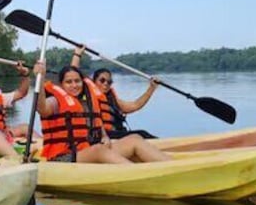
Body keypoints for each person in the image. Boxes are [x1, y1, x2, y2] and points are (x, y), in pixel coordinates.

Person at [34, 61, 171, 164]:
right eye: (69, 82)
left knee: (134, 139)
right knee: (98, 150)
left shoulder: (87, 104)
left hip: (87, 151)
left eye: (77, 81)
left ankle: (173, 166)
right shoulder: (55, 101)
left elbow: (102, 132)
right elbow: (42, 109)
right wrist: (39, 79)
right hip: (63, 158)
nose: (74, 85)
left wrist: (105, 139)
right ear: (61, 85)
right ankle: (139, 174)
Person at [70, 45, 158, 139]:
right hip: (102, 136)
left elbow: (135, 105)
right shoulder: (88, 94)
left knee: (141, 134)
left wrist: (151, 88)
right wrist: (77, 54)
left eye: (109, 82)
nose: (106, 84)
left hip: (116, 134)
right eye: (102, 80)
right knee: (141, 134)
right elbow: (73, 73)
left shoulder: (112, 99)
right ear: (94, 81)